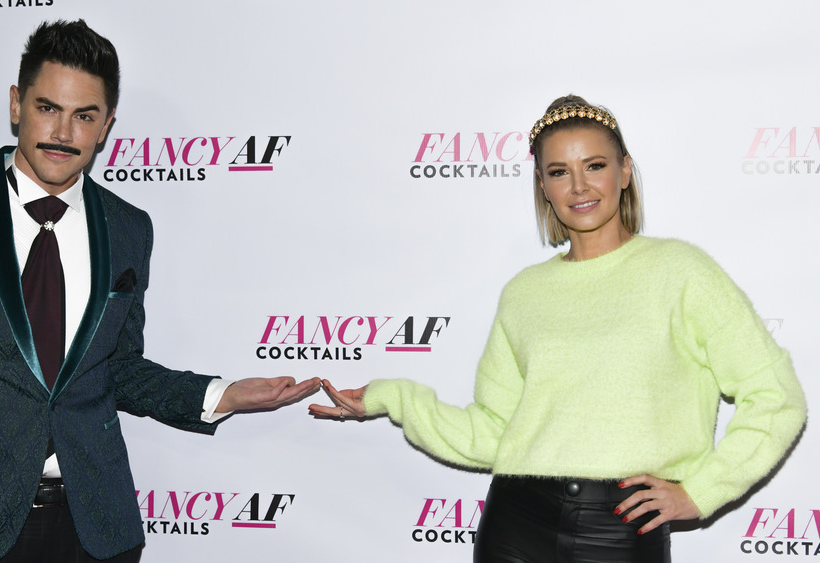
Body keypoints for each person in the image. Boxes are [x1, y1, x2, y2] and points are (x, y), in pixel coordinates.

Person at [0, 19, 319, 563]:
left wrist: (223, 396)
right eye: (47, 108)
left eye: (84, 116)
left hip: (96, 527)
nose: (62, 132)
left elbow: (118, 369)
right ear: (16, 105)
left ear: (105, 127)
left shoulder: (128, 228)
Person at [309, 94, 807, 562]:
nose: (579, 187)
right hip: (515, 523)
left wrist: (702, 491)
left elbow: (776, 396)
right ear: (543, 187)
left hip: (621, 531)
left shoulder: (682, 272)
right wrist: (389, 398)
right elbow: (494, 432)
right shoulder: (525, 293)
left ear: (625, 172)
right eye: (558, 172)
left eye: (594, 166)